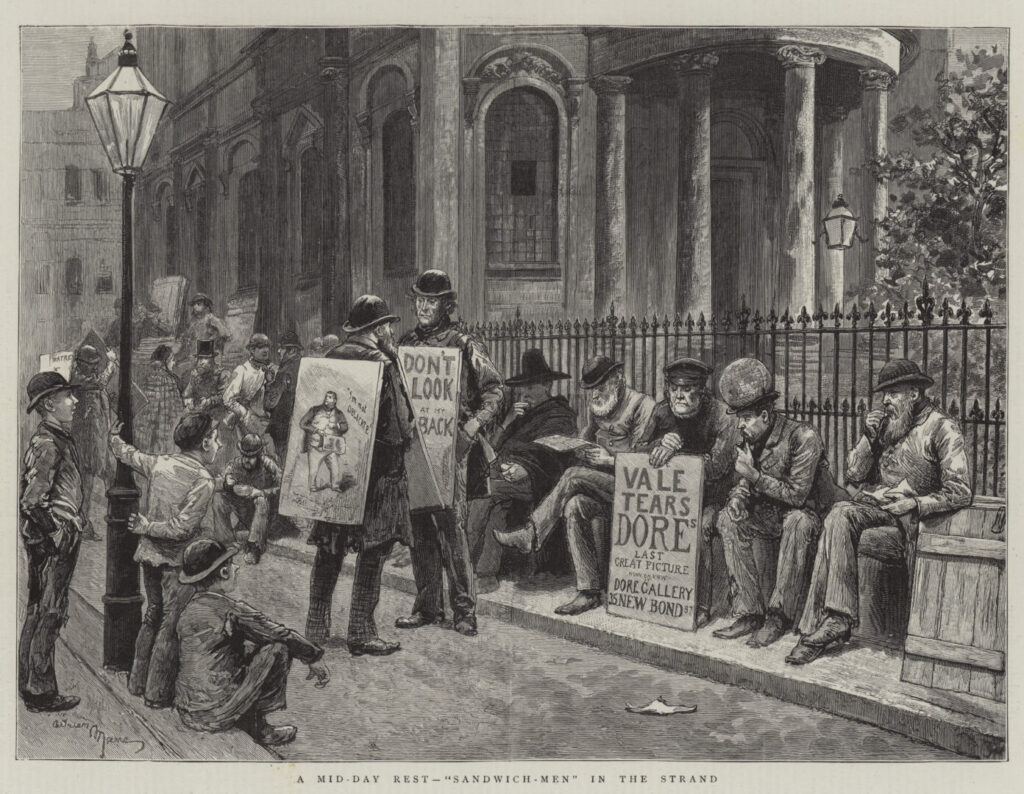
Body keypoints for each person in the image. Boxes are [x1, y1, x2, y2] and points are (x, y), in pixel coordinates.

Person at [787, 359, 972, 665]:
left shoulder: (942, 427)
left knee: (839, 519)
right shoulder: (889, 423)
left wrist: (915, 503)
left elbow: (960, 491)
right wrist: (868, 439)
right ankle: (835, 619)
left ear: (914, 394)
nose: (885, 401)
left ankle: (829, 622)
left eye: (893, 393)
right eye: (884, 394)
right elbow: (854, 474)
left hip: (913, 523)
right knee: (839, 513)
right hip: (880, 508)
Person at [493, 355, 656, 613]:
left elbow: (646, 462)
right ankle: (588, 591)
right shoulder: (599, 407)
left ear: (618, 381)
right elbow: (583, 439)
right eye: (591, 390)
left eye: (601, 388)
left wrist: (610, 459)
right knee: (575, 506)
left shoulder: (643, 406)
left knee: (572, 475)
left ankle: (531, 533)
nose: (595, 395)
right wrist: (575, 448)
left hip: (633, 487)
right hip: (602, 486)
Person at [394, 270, 506, 636]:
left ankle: (463, 611)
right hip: (415, 449)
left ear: (447, 305)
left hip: (452, 451)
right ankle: (427, 607)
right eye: (420, 300)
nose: (424, 307)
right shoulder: (406, 343)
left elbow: (495, 392)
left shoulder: (464, 343)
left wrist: (473, 427)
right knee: (419, 529)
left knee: (451, 531)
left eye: (432, 301)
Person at [305, 296, 415, 656]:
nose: (391, 332)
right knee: (373, 552)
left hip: (337, 469)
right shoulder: (384, 362)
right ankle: (361, 630)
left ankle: (316, 625)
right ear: (379, 329)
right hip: (379, 474)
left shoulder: (330, 358)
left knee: (330, 549)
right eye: (388, 326)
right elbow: (399, 425)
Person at [713, 358, 847, 648]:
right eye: (738, 418)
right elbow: (743, 483)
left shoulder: (803, 436)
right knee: (727, 518)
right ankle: (749, 613)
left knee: (797, 521)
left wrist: (755, 475)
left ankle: (778, 617)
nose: (741, 425)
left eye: (746, 418)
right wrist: (738, 498)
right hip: (772, 515)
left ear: (765, 414)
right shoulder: (748, 437)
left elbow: (798, 495)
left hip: (814, 516)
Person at [108, 412, 221, 709]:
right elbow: (182, 527)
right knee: (170, 625)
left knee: (153, 616)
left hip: (150, 557)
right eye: (216, 438)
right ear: (205, 442)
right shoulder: (203, 480)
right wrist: (149, 527)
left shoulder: (161, 463)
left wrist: (113, 438)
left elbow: (128, 455)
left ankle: (137, 682)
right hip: (177, 562)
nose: (218, 445)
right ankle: (157, 693)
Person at [174, 538, 330, 747]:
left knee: (249, 647)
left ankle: (246, 718)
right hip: (216, 714)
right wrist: (313, 657)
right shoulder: (231, 609)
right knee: (277, 649)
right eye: (231, 565)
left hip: (188, 711)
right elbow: (278, 633)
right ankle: (260, 729)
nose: (236, 568)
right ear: (224, 573)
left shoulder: (188, 611)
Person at [636, 357, 741, 628]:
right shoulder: (661, 412)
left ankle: (701, 606)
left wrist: (677, 453)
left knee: (703, 526)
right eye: (674, 389)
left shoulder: (722, 416)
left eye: (688, 389)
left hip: (715, 496)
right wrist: (658, 444)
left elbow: (718, 466)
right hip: (672, 497)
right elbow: (637, 451)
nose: (680, 395)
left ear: (702, 391)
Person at [469, 349, 577, 588]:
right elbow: (495, 448)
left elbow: (550, 453)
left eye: (531, 387)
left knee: (487, 493)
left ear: (547, 386)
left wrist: (525, 468)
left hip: (541, 481)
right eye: (522, 388)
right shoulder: (521, 415)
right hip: (507, 474)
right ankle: (472, 567)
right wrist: (509, 422)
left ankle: (483, 575)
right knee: (481, 492)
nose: (524, 393)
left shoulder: (559, 415)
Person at [19, 372, 88, 713]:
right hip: (52, 540)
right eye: (66, 397)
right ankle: (41, 691)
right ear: (49, 403)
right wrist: (58, 532)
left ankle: (28, 683)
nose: (73, 401)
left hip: (47, 538)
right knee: (50, 611)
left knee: (38, 611)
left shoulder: (54, 437)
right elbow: (31, 502)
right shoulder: (49, 443)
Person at [69, 343, 116, 537]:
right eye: (92, 364)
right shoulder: (79, 379)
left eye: (97, 363)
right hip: (87, 443)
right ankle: (83, 524)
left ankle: (111, 519)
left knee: (109, 478)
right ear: (81, 364)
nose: (95, 367)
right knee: (86, 487)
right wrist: (111, 364)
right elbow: (101, 383)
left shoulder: (88, 378)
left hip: (99, 441)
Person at [213, 434, 283, 565]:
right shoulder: (234, 465)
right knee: (218, 499)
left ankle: (254, 548)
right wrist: (227, 484)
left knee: (261, 501)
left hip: (264, 514)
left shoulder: (268, 465)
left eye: (251, 457)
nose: (246, 459)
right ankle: (225, 543)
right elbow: (217, 484)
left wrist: (262, 492)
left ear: (258, 455)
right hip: (242, 510)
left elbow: (282, 487)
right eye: (244, 455)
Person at [223, 333, 276, 456]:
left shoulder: (267, 371)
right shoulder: (242, 370)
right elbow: (227, 399)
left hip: (261, 420)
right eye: (261, 346)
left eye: (267, 346)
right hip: (243, 422)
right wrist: (244, 414)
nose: (266, 350)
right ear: (252, 350)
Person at [135, 344, 186, 455]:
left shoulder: (148, 378)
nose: (174, 363)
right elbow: (177, 410)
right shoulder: (170, 380)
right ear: (166, 361)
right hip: (165, 434)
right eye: (172, 360)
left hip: (147, 433)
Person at [297, 391, 350, 492]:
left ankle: (335, 486)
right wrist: (316, 430)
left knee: (335, 469)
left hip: (330, 446)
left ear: (335, 401)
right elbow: (302, 423)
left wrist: (337, 426)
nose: (326, 398)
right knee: (313, 471)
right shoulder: (315, 410)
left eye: (330, 397)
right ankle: (312, 487)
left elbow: (345, 427)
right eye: (326, 396)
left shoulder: (339, 414)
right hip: (315, 446)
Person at [265, 330, 304, 457]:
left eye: (281, 348)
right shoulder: (303, 364)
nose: (278, 352)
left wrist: (270, 382)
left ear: (291, 350)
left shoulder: (285, 370)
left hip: (282, 425)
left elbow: (271, 403)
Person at [175, 293, 231, 371]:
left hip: (210, 357)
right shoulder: (193, 322)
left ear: (206, 306)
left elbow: (225, 333)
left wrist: (214, 338)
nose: (195, 307)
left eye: (198, 304)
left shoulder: (211, 318)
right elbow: (187, 336)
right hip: (195, 356)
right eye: (194, 304)